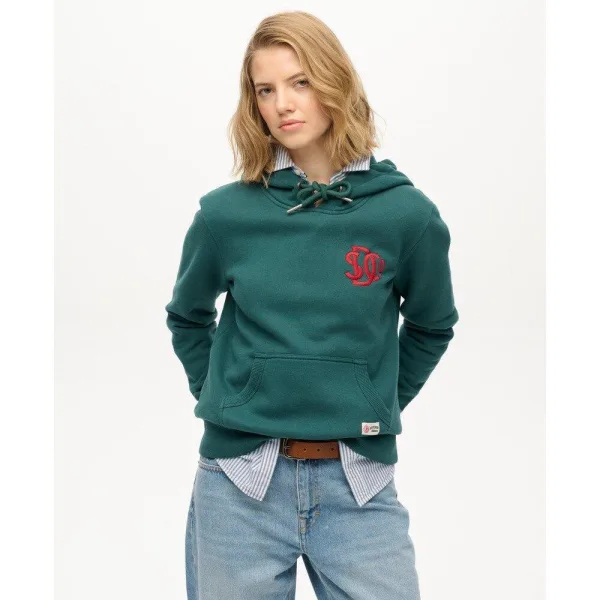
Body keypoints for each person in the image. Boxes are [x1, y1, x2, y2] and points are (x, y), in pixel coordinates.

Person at [165, 10, 459, 600]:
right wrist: (225, 395)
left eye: (300, 82)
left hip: (359, 485)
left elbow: (432, 325)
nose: (282, 104)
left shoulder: (406, 216)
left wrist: (375, 398)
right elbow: (187, 316)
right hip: (239, 483)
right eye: (264, 90)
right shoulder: (225, 215)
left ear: (335, 81)